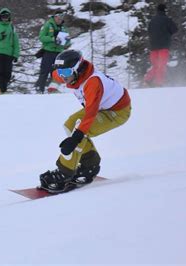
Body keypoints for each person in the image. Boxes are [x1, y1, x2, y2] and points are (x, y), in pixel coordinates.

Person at [39, 50, 131, 193]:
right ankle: (90, 165)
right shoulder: (68, 75)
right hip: (102, 106)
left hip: (116, 112)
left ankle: (65, 172)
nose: (63, 77)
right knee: (70, 124)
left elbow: (90, 114)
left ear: (78, 68)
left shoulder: (92, 83)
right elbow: (55, 73)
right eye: (60, 72)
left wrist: (75, 138)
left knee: (78, 132)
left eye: (67, 72)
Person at [35, 11, 70, 94]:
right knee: (45, 71)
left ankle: (52, 89)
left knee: (56, 73)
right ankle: (40, 89)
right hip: (48, 51)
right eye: (58, 18)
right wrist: (52, 39)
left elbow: (67, 43)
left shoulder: (63, 28)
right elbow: (41, 37)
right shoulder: (48, 25)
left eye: (61, 18)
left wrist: (67, 40)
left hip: (59, 53)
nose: (60, 19)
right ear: (54, 17)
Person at [144, 3, 178, 87]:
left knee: (155, 65)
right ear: (165, 10)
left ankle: (147, 80)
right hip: (163, 46)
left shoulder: (152, 20)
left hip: (153, 47)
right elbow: (175, 30)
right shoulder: (167, 20)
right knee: (161, 65)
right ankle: (159, 83)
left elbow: (149, 31)